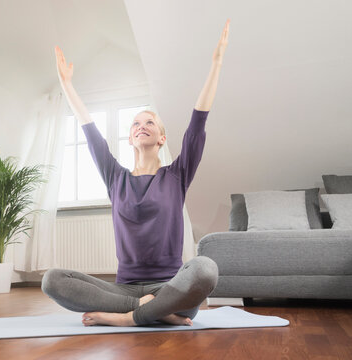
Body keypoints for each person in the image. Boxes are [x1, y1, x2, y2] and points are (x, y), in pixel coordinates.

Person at [42, 20, 230, 327]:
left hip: (170, 287)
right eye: (135, 124)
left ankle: (127, 318)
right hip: (123, 288)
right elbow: (90, 132)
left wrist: (216, 63)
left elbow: (197, 124)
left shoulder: (177, 175)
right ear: (130, 138)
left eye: (150, 123)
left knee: (206, 268)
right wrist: (67, 86)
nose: (141, 126)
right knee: (53, 280)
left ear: (161, 138)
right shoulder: (116, 177)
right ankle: (145, 311)